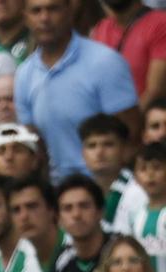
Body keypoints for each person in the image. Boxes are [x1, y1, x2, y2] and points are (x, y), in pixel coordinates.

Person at [15, 0, 139, 182]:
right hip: (58, 193)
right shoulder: (24, 74)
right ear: (25, 17)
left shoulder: (106, 63)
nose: (44, 18)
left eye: (53, 9)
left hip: (106, 188)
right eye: (36, 11)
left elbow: (131, 136)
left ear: (69, 11)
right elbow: (35, 147)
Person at [78, 113, 147, 232]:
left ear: (125, 150)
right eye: (92, 146)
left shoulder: (140, 192)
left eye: (108, 144)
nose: (99, 152)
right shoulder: (79, 194)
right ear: (83, 153)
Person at [90, 0, 166, 107]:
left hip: (139, 120)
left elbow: (155, 91)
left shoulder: (161, 23)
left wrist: (123, 122)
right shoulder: (101, 28)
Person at [126, 142, 166, 272]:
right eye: (143, 169)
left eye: (157, 167)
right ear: (136, 178)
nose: (150, 174)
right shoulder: (136, 215)